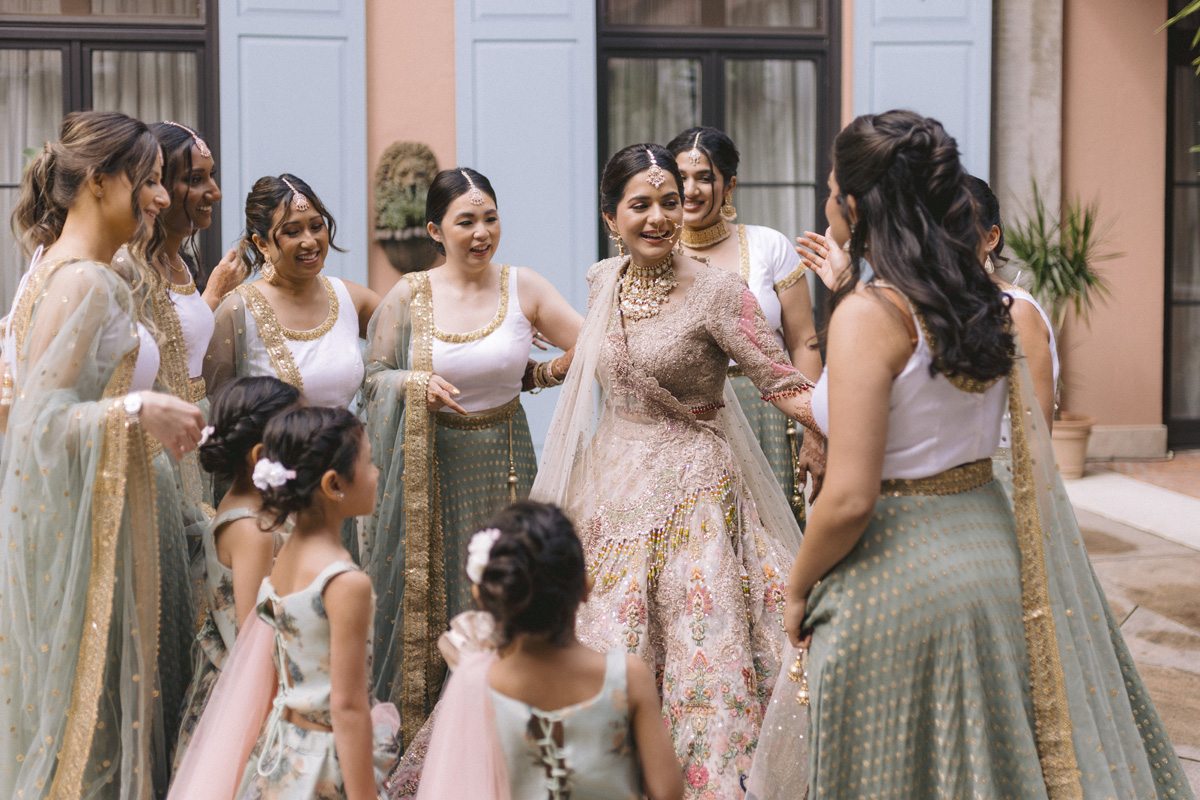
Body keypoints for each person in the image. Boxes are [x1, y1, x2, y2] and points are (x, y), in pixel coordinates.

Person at [771, 109, 1192, 800]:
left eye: (830, 188)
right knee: (983, 766)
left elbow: (850, 497)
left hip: (897, 573)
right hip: (993, 556)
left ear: (855, 202)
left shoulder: (872, 315)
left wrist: (796, 586)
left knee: (889, 772)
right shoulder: (995, 303)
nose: (826, 201)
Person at [530, 143, 825, 798]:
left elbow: (783, 384)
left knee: (694, 634)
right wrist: (537, 373)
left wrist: (842, 423)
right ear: (612, 217)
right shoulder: (601, 279)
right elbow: (586, 361)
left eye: (670, 202)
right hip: (607, 482)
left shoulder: (722, 294)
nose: (661, 216)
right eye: (642, 204)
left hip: (693, 487)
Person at [0, 110, 205, 799]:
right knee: (101, 738)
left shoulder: (68, 271)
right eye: (148, 181)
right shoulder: (82, 281)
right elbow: (34, 425)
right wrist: (134, 409)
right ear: (97, 181)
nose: (161, 197)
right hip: (100, 540)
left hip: (123, 515)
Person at [363, 167, 582, 742]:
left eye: (490, 218)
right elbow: (373, 376)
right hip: (430, 470)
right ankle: (440, 740)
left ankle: (518, 729)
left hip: (507, 462)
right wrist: (413, 385)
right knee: (442, 593)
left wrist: (540, 374)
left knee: (513, 588)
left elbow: (592, 343)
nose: (482, 232)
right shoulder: (409, 295)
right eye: (466, 221)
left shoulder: (522, 287)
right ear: (436, 230)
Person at [109, 120, 245, 758]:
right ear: (151, 186)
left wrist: (213, 292)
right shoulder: (126, 269)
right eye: (194, 178)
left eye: (209, 176)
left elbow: (188, 351)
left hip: (198, 456)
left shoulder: (180, 261)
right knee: (182, 621)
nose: (211, 190)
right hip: (155, 461)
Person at [411, 501, 685, 800]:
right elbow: (667, 791)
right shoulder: (628, 678)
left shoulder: (478, 682)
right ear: (584, 587)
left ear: (493, 595)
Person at [234, 406, 400, 799]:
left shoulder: (286, 556)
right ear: (334, 484)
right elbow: (347, 707)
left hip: (281, 751)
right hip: (324, 765)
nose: (377, 474)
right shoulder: (345, 582)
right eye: (370, 463)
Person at [667, 127, 822, 524]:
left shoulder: (769, 245)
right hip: (688, 416)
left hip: (768, 412)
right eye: (681, 177)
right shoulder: (655, 253)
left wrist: (817, 433)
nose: (691, 189)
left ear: (729, 185)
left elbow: (804, 342)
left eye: (705, 177)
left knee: (774, 534)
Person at [172, 376, 302, 770]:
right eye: (297, 433)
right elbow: (252, 634)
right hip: (248, 689)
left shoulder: (258, 508)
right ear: (259, 454)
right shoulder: (252, 530)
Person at [204, 173, 379, 409]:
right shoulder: (238, 310)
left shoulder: (351, 298)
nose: (310, 241)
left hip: (346, 444)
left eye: (317, 226)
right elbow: (212, 404)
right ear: (261, 243)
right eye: (292, 232)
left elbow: (414, 347)